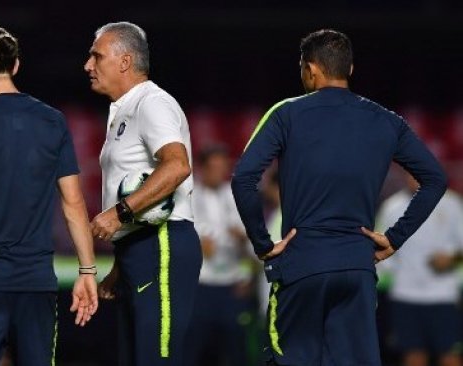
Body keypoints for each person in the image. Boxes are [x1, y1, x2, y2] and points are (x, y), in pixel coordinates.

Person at [231, 29, 447, 365]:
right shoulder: (387, 121)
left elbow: (244, 177)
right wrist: (394, 239)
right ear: (350, 69)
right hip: (357, 268)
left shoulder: (286, 113)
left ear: (311, 69)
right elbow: (436, 179)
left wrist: (262, 243)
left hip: (301, 265)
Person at [0, 25, 98, 366]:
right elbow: (73, 202)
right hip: (35, 280)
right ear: (15, 66)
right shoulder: (52, 121)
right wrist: (87, 271)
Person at [85, 21, 202, 366]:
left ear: (124, 61)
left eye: (96, 56)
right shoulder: (125, 109)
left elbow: (177, 165)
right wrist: (121, 266)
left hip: (162, 243)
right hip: (140, 249)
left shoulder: (152, 103)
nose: (87, 65)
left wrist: (118, 214)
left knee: (157, 359)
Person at [377, 174, 463, 366]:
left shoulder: (452, 204)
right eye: (410, 172)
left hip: (444, 295)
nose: (414, 177)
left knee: (450, 357)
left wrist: (451, 259)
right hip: (405, 295)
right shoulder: (392, 207)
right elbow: (382, 256)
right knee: (413, 357)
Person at [186, 145, 251, 366]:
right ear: (202, 168)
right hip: (200, 284)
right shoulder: (188, 197)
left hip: (231, 284)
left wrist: (243, 240)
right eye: (213, 167)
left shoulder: (235, 196)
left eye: (222, 167)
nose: (218, 172)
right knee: (193, 346)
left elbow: (252, 245)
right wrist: (196, 245)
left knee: (236, 348)